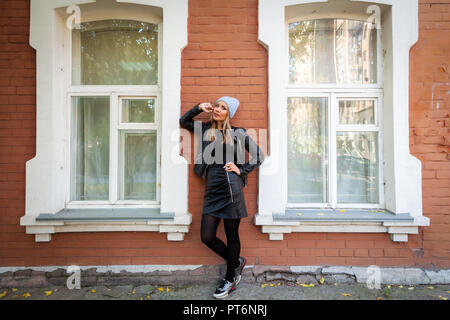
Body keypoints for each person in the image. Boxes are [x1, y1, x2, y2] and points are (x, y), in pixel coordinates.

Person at [179, 96, 265, 299]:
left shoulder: (237, 133)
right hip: (212, 188)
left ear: (229, 113)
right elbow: (184, 121)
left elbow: (259, 156)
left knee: (231, 234)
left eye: (223, 108)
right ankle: (236, 261)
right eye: (217, 105)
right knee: (207, 236)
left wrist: (241, 169)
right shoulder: (204, 129)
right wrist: (198, 107)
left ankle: (229, 278)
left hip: (231, 188)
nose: (217, 109)